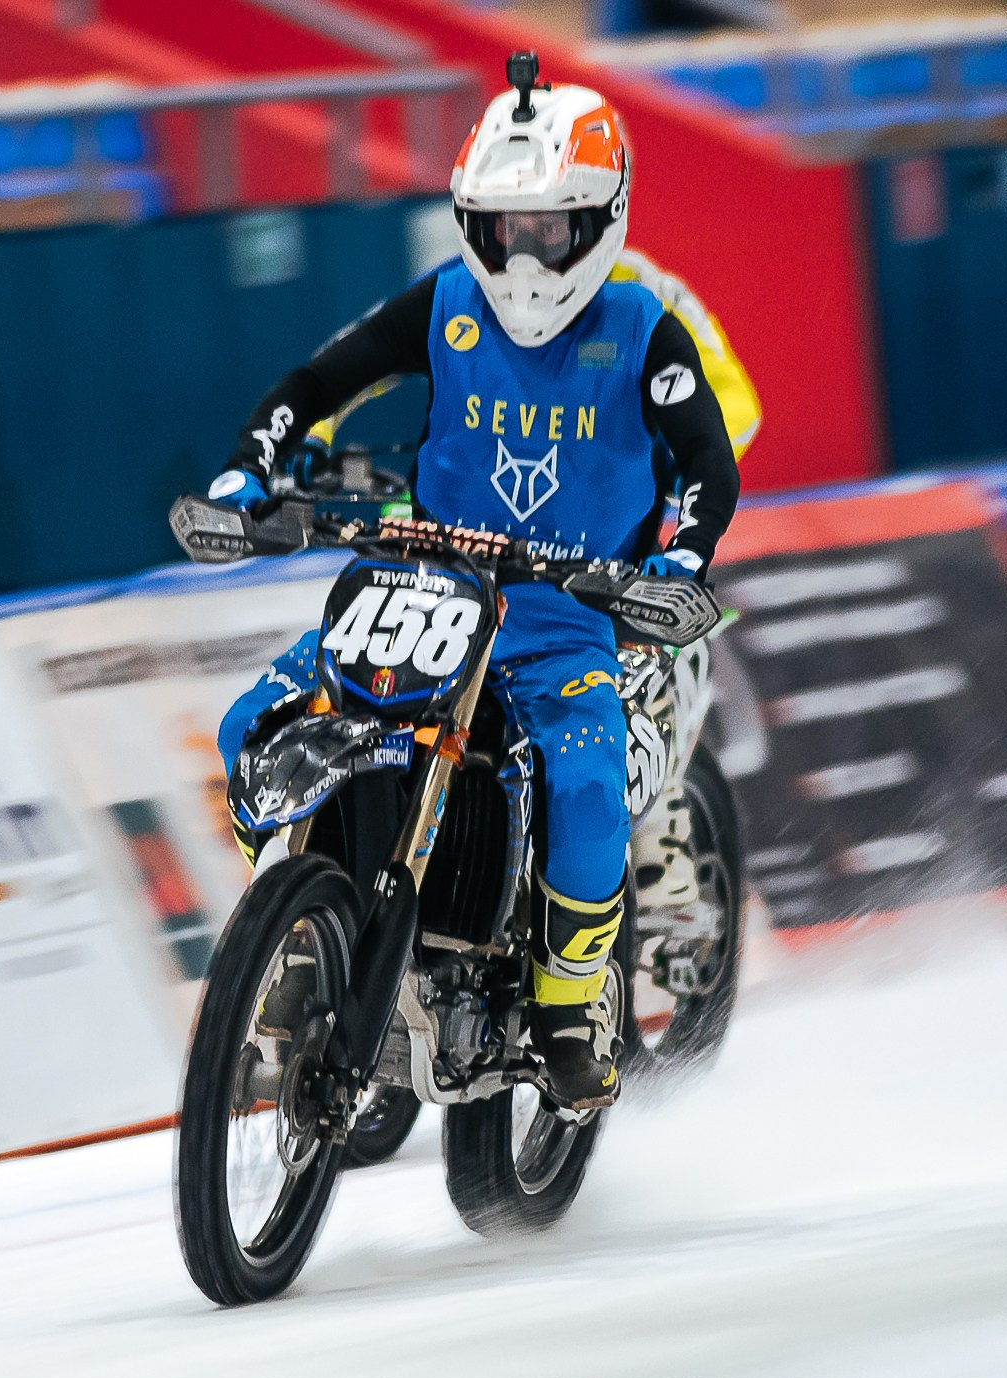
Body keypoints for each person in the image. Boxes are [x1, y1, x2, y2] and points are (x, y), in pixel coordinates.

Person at [205, 55, 744, 1111]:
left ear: (602, 222)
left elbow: (709, 465)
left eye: (549, 230)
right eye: (502, 229)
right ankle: (302, 932)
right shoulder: (444, 304)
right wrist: (251, 463)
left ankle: (563, 1004)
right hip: (413, 593)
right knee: (244, 726)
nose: (523, 256)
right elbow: (319, 382)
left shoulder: (643, 330)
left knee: (590, 793)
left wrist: (681, 558)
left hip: (563, 622)